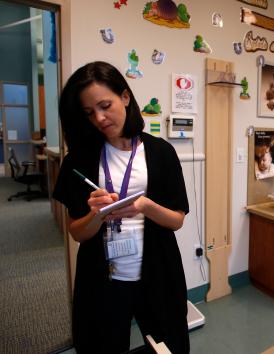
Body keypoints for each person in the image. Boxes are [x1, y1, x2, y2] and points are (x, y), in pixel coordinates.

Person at [53, 61, 190, 353]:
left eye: (105, 105)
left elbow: (177, 220)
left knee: (168, 345)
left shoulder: (161, 152)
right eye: (90, 112)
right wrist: (95, 215)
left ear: (125, 97)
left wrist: (144, 205)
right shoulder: (79, 160)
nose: (100, 118)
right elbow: (77, 232)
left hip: (157, 273)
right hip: (103, 280)